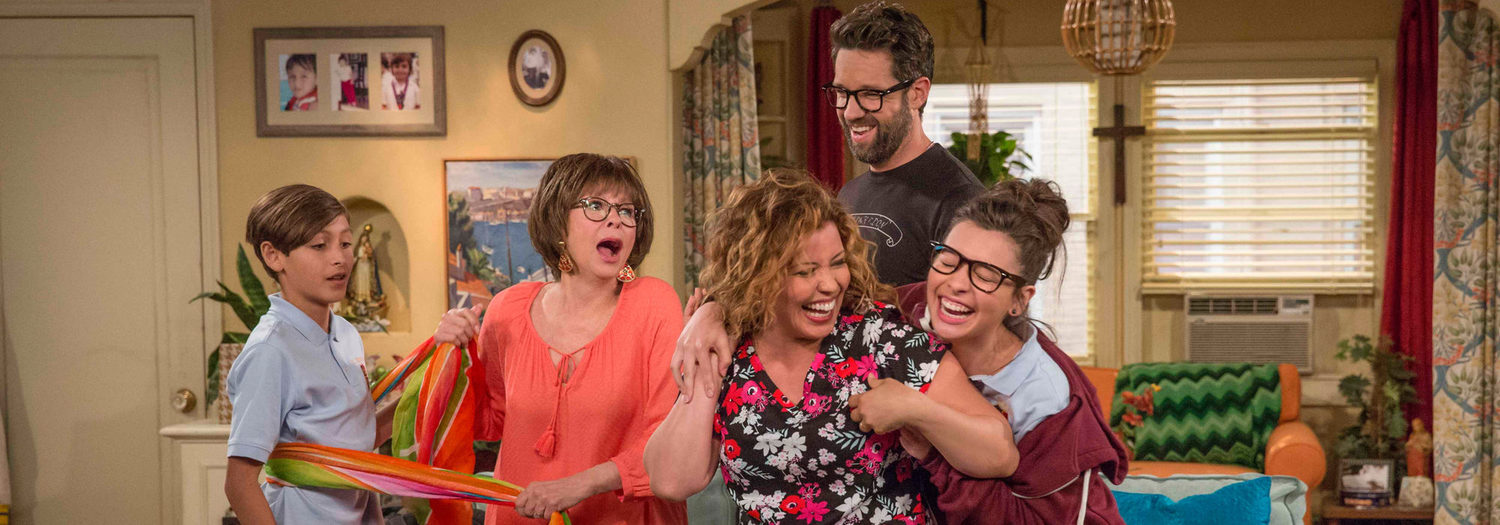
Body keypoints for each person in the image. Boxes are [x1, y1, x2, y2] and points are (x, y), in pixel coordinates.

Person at [675, 179, 1128, 524]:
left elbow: (1021, 513)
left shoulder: (1048, 397)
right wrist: (714, 311)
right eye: (949, 260)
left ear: (1020, 300)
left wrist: (918, 417)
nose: (956, 284)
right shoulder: (907, 309)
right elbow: (778, 286)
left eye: (986, 275)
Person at [644, 170, 1016, 524]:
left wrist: (916, 409)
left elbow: (1000, 453)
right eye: (805, 271)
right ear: (758, 275)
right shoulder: (729, 350)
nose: (830, 284)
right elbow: (672, 482)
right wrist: (707, 361)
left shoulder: (881, 339)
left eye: (837, 263)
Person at [432, 154, 686, 524]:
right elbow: (487, 422)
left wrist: (579, 485)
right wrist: (453, 355)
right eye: (595, 206)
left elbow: (668, 440)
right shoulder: (506, 309)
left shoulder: (655, 304)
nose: (616, 219)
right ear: (556, 222)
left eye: (627, 211)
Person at [225, 184, 390, 524]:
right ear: (273, 256)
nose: (339, 257)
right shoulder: (270, 351)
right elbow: (239, 483)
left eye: (345, 243)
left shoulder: (346, 334)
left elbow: (358, 438)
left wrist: (431, 380)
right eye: (319, 245)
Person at [828, 1, 984, 286]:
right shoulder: (848, 194)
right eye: (842, 92)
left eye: (870, 94)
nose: (850, 112)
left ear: (917, 93)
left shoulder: (962, 201)